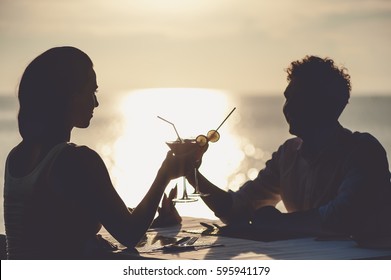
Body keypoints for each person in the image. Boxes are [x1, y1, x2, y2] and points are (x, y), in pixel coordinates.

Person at [182, 55, 391, 244]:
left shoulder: (363, 151)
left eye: (299, 99)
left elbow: (340, 219)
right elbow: (236, 209)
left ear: (325, 105)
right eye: (287, 98)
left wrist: (274, 222)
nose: (287, 107)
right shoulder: (288, 154)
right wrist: (192, 174)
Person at [3, 46, 183, 259]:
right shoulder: (77, 160)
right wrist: (165, 175)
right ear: (67, 95)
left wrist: (155, 222)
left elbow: (48, 231)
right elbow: (130, 233)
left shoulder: (16, 156)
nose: (96, 102)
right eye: (91, 91)